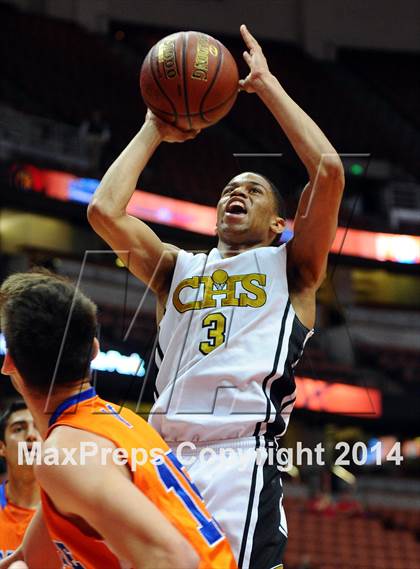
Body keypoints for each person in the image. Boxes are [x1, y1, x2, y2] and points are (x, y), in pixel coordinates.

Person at [88, 24, 344, 569]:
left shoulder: (293, 267)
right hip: (163, 457)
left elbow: (327, 170)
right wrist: (154, 126)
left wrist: (267, 87)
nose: (236, 191)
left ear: (280, 223)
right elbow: (104, 212)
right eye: (230, 188)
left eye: (253, 190)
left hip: (239, 458)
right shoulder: (175, 268)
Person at [0, 270, 236, 569]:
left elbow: (174, 559)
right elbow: (34, 556)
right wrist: (21, 557)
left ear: (9, 364)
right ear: (95, 350)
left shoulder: (63, 455)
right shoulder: (120, 421)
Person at [0, 402, 41, 561]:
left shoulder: (72, 512)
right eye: (19, 429)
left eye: (38, 427)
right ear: (2, 447)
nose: (31, 435)